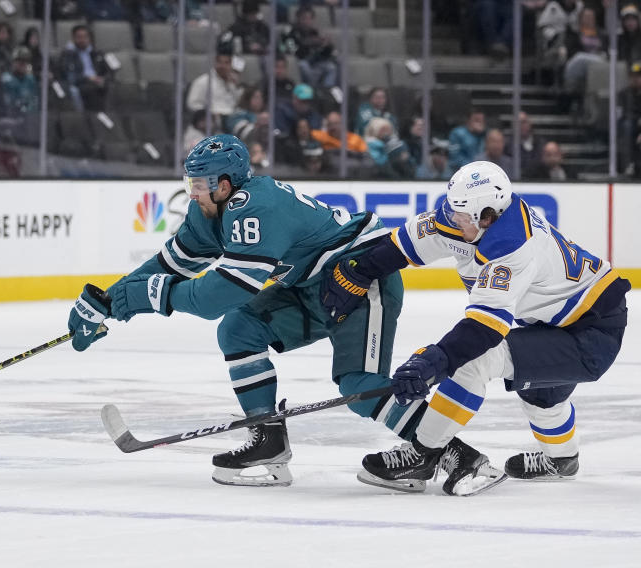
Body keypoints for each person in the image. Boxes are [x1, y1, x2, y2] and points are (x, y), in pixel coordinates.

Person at [67, 135, 493, 492]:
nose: (192, 191)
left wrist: (145, 299)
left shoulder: (256, 206)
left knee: (359, 386)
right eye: (190, 182)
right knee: (240, 329)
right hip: (309, 288)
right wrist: (107, 299)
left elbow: (219, 294)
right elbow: (169, 265)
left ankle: (458, 455)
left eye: (200, 183)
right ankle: (268, 439)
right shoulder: (207, 210)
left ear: (226, 183)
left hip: (360, 279)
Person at [319, 161, 630, 491]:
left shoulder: (513, 247)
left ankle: (422, 455)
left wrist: (436, 360)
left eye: (461, 215)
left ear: (488, 216)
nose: (452, 219)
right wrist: (361, 270)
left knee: (474, 361)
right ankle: (562, 460)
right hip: (555, 323)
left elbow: (486, 327)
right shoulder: (467, 220)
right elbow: (403, 245)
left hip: (593, 333)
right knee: (541, 394)